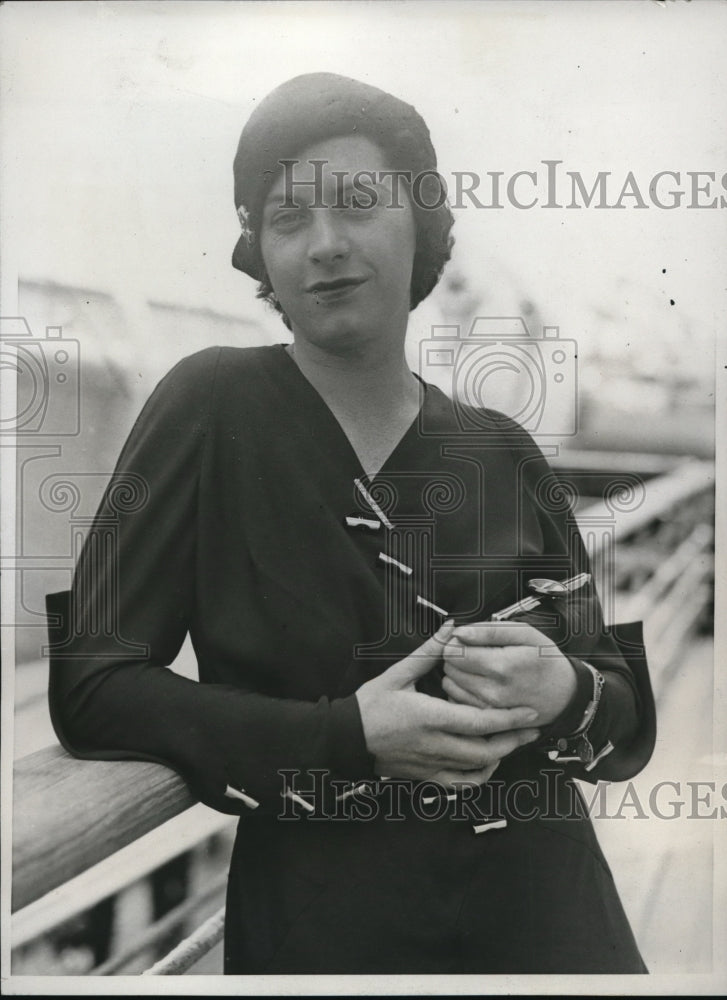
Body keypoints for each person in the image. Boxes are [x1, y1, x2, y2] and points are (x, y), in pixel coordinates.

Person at [47, 72, 655, 974]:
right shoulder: (211, 405)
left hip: (550, 920)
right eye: (287, 221)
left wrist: (563, 689)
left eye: (359, 203)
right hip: (327, 933)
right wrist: (345, 738)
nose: (325, 244)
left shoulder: (500, 446)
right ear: (262, 258)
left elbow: (623, 721)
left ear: (422, 225)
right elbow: (93, 685)